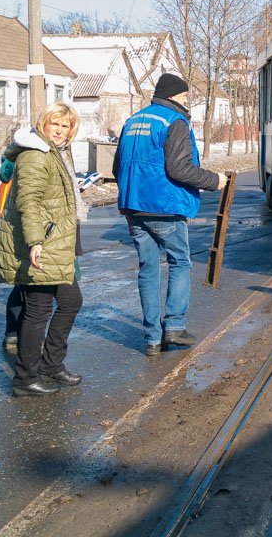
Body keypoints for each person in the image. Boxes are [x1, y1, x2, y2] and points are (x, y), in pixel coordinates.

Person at [113, 73, 227, 356]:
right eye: (186, 97)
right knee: (180, 263)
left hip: (133, 206)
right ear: (175, 96)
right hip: (164, 206)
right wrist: (215, 180)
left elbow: (117, 168)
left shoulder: (133, 121)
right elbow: (180, 169)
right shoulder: (174, 121)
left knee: (148, 270)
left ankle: (152, 338)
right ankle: (174, 324)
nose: (188, 101)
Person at [0, 102, 88, 397]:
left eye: (65, 126)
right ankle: (25, 379)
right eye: (55, 125)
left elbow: (50, 195)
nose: (59, 131)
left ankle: (51, 365)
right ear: (43, 124)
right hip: (43, 242)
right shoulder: (36, 155)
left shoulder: (56, 152)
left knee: (71, 301)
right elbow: (29, 202)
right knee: (38, 310)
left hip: (56, 240)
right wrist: (35, 242)